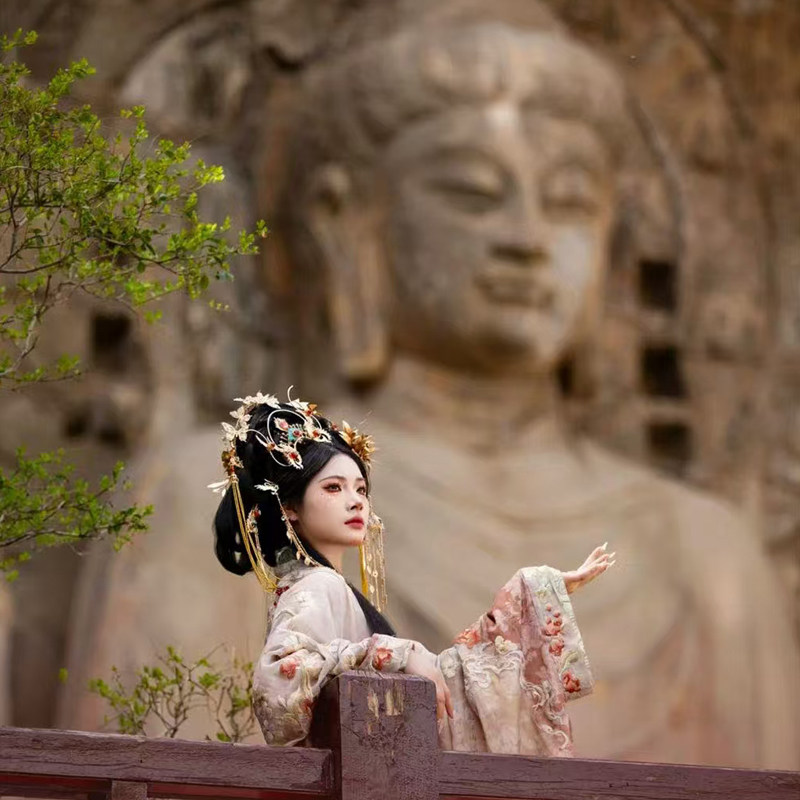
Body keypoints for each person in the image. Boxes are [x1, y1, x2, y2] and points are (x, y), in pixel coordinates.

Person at [211, 390, 613, 754]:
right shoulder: (316, 586)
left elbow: (449, 680)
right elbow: (278, 681)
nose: (355, 502)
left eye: (361, 490)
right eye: (333, 488)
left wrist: (536, 594)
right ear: (291, 508)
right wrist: (396, 653)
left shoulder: (334, 588)